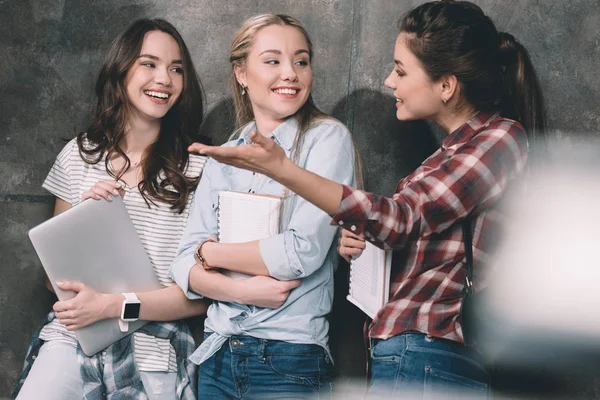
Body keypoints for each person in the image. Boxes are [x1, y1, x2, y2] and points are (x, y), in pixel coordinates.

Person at [189, 1, 547, 398]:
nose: (389, 81)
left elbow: (401, 220)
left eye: (400, 70)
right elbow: (407, 237)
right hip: (400, 351)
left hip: (433, 353)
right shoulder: (442, 158)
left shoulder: (498, 140)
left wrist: (283, 171)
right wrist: (364, 244)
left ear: (446, 86)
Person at [13, 18, 285, 400]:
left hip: (154, 348)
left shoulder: (201, 167)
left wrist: (113, 306)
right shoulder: (78, 155)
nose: (165, 79)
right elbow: (52, 281)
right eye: (150, 64)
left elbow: (200, 296)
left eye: (176, 69)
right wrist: (85, 220)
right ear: (121, 70)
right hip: (72, 338)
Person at [169, 14, 360, 399]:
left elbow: (299, 252)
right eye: (273, 61)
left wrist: (212, 252)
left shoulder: (327, 139)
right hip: (217, 354)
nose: (290, 73)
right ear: (241, 73)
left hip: (289, 357)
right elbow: (182, 263)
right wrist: (244, 291)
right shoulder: (228, 152)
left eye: (301, 61)